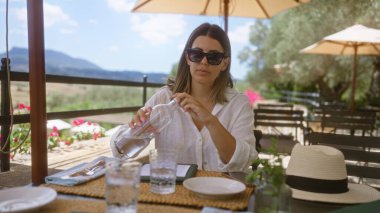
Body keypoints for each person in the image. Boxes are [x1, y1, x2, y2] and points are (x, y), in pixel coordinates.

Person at [111, 23, 258, 172]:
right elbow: (119, 150)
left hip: (221, 192)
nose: (204, 62)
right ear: (188, 58)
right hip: (173, 191)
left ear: (224, 64)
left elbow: (242, 162)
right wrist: (136, 131)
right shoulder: (164, 98)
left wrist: (211, 121)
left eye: (213, 57)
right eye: (197, 54)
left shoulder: (238, 104)